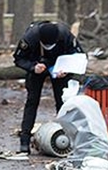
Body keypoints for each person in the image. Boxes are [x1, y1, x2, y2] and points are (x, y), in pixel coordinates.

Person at [13, 21, 83, 154]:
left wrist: (68, 69)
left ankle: (68, 137)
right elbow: (18, 59)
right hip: (37, 65)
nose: (49, 47)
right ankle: (24, 141)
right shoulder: (29, 38)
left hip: (60, 68)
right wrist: (33, 67)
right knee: (32, 101)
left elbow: (78, 55)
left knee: (62, 102)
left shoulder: (66, 35)